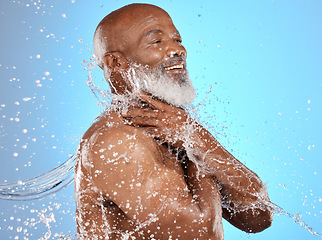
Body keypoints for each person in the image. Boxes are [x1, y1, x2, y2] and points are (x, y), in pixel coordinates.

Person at [75, 3, 273, 239]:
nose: (177, 50)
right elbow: (203, 235)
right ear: (115, 63)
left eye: (177, 39)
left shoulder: (173, 127)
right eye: (157, 42)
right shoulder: (116, 142)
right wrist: (194, 140)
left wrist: (198, 140)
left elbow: (258, 217)